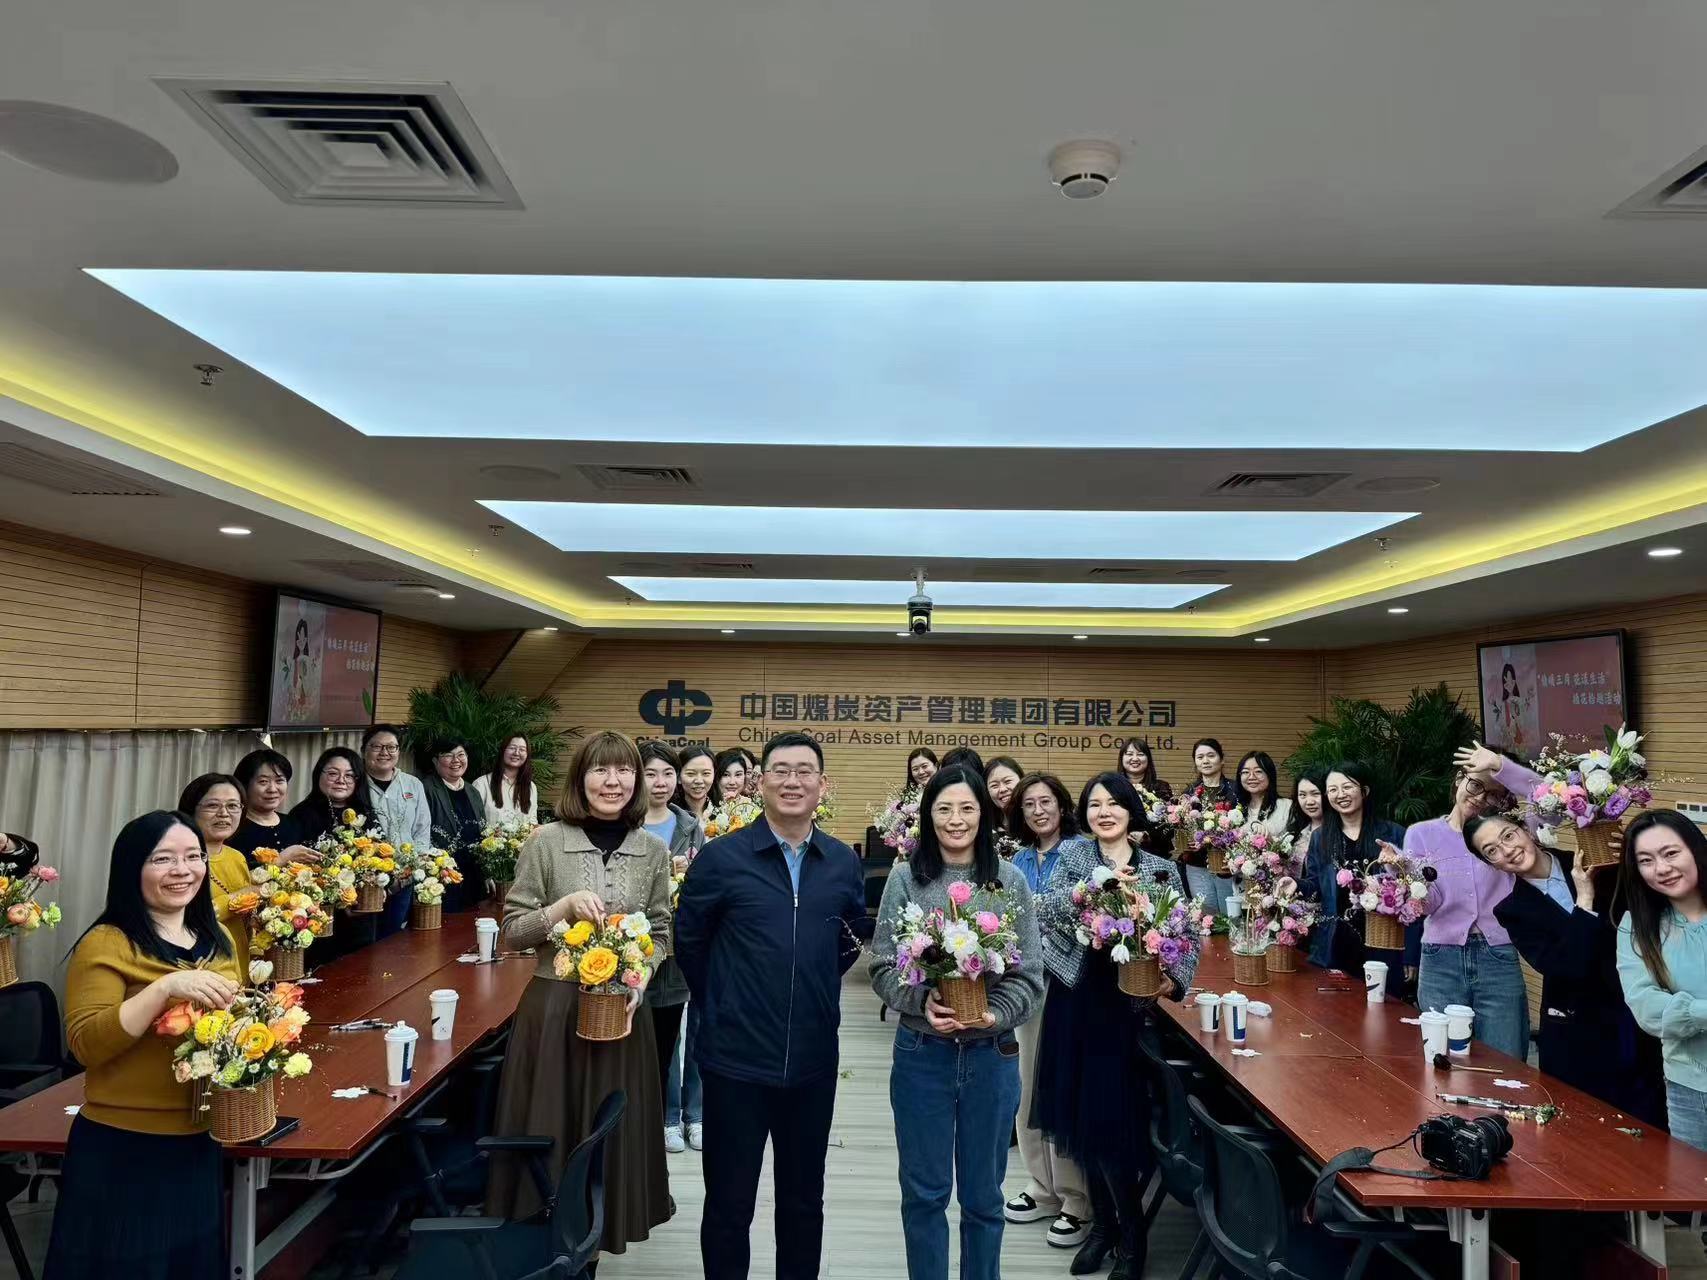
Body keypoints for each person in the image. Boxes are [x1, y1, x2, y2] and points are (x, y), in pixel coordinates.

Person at [675, 731, 867, 1280]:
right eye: (780, 770)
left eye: (804, 771)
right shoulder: (722, 858)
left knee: (804, 1202)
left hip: (812, 1061)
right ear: (760, 782)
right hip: (734, 1061)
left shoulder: (841, 862)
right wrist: (728, 1000)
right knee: (729, 1203)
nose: (792, 781)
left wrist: (806, 989)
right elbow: (691, 942)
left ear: (822, 784)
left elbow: (849, 941)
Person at [487, 731, 673, 1245]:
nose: (613, 781)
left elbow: (660, 932)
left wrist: (642, 978)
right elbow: (513, 932)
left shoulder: (653, 850)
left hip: (622, 1012)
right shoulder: (546, 841)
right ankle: (543, 1227)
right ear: (580, 778)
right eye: (600, 770)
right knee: (553, 1117)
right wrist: (561, 908)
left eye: (624, 770)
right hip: (554, 1008)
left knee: (611, 1122)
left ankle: (607, 1225)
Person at [44, 811, 242, 1280]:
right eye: (163, 859)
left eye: (193, 857)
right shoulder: (107, 942)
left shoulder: (217, 938)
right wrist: (163, 989)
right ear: (132, 867)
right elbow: (85, 1044)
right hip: (124, 1149)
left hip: (198, 1140)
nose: (183, 870)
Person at [869, 766, 1043, 1280]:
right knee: (924, 1194)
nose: (956, 819)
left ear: (984, 814)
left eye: (967, 808)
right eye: (943, 808)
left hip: (993, 1057)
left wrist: (996, 1013)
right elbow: (882, 965)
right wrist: (920, 1000)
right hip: (922, 1056)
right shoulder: (906, 877)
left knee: (984, 1198)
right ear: (928, 815)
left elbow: (1029, 976)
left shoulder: (1009, 881)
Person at [1033, 772, 1194, 1280]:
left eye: (1114, 803)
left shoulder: (1160, 868)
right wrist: (1094, 888)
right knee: (1082, 1120)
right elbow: (1045, 910)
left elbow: (1186, 937)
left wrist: (1174, 981)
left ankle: (1131, 1239)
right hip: (1077, 1000)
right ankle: (1103, 1227)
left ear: (1130, 810)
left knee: (1113, 1122)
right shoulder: (1074, 857)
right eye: (1095, 804)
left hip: (1127, 1010)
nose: (1104, 812)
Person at [1466, 812, 1664, 1127]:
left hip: (1632, 1010)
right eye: (1491, 851)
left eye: (1508, 835)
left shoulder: (1595, 860)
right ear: (1491, 864)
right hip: (1577, 1031)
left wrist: (1634, 851)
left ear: (1524, 829)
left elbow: (1650, 904)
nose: (1507, 850)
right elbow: (1564, 967)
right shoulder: (1512, 911)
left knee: (1649, 1122)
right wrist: (1584, 902)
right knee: (1585, 1127)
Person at [1002, 773, 1092, 1250]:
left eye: (1046, 801)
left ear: (1062, 805)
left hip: (1070, 985)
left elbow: (1081, 914)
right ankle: (1042, 1187)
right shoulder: (1016, 860)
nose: (1039, 810)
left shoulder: (1081, 853)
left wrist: (1038, 913)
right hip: (1027, 985)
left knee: (1061, 1088)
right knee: (1027, 1085)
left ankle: (1077, 1198)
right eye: (1029, 804)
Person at [1408, 743, 1541, 1061]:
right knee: (1441, 1058)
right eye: (1476, 785)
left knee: (1506, 1059)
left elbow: (1546, 797)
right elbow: (1428, 906)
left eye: (1494, 793)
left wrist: (1501, 766)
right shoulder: (1421, 833)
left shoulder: (1513, 835)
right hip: (1440, 958)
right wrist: (1408, 880)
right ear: (1459, 779)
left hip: (1498, 955)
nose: (1481, 797)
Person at [1617, 811, 1707, 1151]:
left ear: (1695, 848)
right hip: (1690, 1088)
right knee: (1693, 1181)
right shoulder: (1636, 926)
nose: (1662, 868)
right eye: (1646, 860)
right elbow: (1646, 1007)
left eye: (1670, 853)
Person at [640, 742, 706, 1153]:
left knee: (693, 1028)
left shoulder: (689, 826)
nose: (660, 782)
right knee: (659, 1036)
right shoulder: (626, 824)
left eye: (667, 773)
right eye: (651, 774)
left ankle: (695, 1115)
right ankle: (666, 1115)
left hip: (683, 943)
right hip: (637, 945)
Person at [1299, 761, 1412, 999]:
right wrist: (1295, 885)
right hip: (1336, 941)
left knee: (1383, 1008)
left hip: (1383, 940)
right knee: (1337, 1011)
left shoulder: (1394, 833)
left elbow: (1415, 894)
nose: (1340, 795)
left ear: (1364, 791)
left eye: (1347, 787)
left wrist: (1411, 953)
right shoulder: (1321, 837)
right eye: (1333, 790)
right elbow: (1316, 888)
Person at [286, 747, 380, 959]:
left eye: (349, 775)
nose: (341, 780)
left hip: (360, 914)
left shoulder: (366, 814)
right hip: (319, 915)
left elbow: (380, 858)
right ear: (318, 775)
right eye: (333, 773)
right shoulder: (301, 815)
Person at [178, 773, 254, 972]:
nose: (224, 813)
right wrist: (242, 896)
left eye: (233, 806)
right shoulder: (180, 860)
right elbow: (187, 919)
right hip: (200, 971)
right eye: (213, 805)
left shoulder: (236, 857)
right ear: (191, 810)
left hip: (240, 967)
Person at [363, 724, 433, 938]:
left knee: (393, 938)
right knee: (365, 938)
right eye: (377, 747)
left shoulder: (412, 784)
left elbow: (422, 829)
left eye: (391, 747)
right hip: (366, 881)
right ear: (364, 750)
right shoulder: (355, 783)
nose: (384, 752)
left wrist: (411, 869)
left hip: (404, 878)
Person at [422, 737, 487, 913]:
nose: (456, 760)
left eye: (461, 755)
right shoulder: (426, 789)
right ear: (435, 760)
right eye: (448, 755)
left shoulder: (472, 791)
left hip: (473, 874)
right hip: (443, 876)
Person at [230, 748, 307, 861]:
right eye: (263, 781)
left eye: (279, 781)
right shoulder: (233, 827)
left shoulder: (294, 824)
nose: (272, 789)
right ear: (245, 785)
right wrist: (280, 861)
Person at [473, 733, 541, 824]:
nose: (516, 753)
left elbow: (533, 822)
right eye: (512, 748)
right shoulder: (481, 784)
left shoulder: (530, 787)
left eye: (522, 749)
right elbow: (473, 822)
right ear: (503, 750)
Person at [1234, 751, 1293, 844]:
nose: (1251, 777)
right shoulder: (1235, 808)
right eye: (1245, 772)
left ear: (1270, 775)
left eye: (1258, 771)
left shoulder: (1287, 806)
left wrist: (1271, 841)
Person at [1287, 773, 1326, 858]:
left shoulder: (1341, 831)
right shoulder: (1295, 831)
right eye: (1302, 795)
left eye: (1315, 794)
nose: (1309, 802)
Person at [675, 746, 716, 823]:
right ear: (679, 777)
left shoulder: (725, 813)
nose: (699, 781)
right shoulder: (671, 816)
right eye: (691, 774)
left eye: (706, 773)